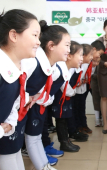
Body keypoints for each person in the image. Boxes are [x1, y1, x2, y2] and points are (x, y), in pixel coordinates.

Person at [24, 20, 71, 170]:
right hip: (22, 110)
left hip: (34, 106)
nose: (69, 50)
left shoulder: (49, 65)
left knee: (34, 138)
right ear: (51, 46)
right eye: (67, 45)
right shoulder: (32, 62)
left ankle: (44, 165)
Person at [0, 9, 40, 170]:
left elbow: (14, 103)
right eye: (35, 35)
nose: (38, 42)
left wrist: (10, 121)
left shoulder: (16, 70)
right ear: (14, 35)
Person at [50, 41, 84, 152]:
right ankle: (63, 143)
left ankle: (66, 140)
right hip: (59, 99)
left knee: (64, 119)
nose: (82, 58)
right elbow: (67, 89)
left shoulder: (68, 67)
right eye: (80, 55)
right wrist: (73, 92)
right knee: (61, 120)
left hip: (64, 99)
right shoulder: (61, 67)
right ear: (69, 56)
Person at [72, 44, 93, 134]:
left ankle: (84, 125)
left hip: (82, 89)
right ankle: (77, 127)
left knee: (82, 108)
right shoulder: (76, 64)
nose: (91, 57)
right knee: (75, 109)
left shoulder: (86, 64)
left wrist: (83, 81)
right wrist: (77, 83)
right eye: (90, 55)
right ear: (83, 56)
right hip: (74, 91)